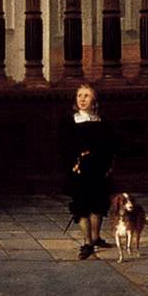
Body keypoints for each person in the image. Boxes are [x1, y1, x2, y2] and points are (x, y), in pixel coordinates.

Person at [58, 83, 115, 260]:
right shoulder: (69, 122)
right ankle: (88, 242)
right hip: (79, 170)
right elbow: (64, 146)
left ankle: (96, 237)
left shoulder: (102, 122)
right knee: (82, 206)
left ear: (94, 100)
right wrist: (74, 163)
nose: (82, 99)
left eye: (86, 96)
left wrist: (107, 165)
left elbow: (109, 146)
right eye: (79, 96)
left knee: (97, 205)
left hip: (98, 169)